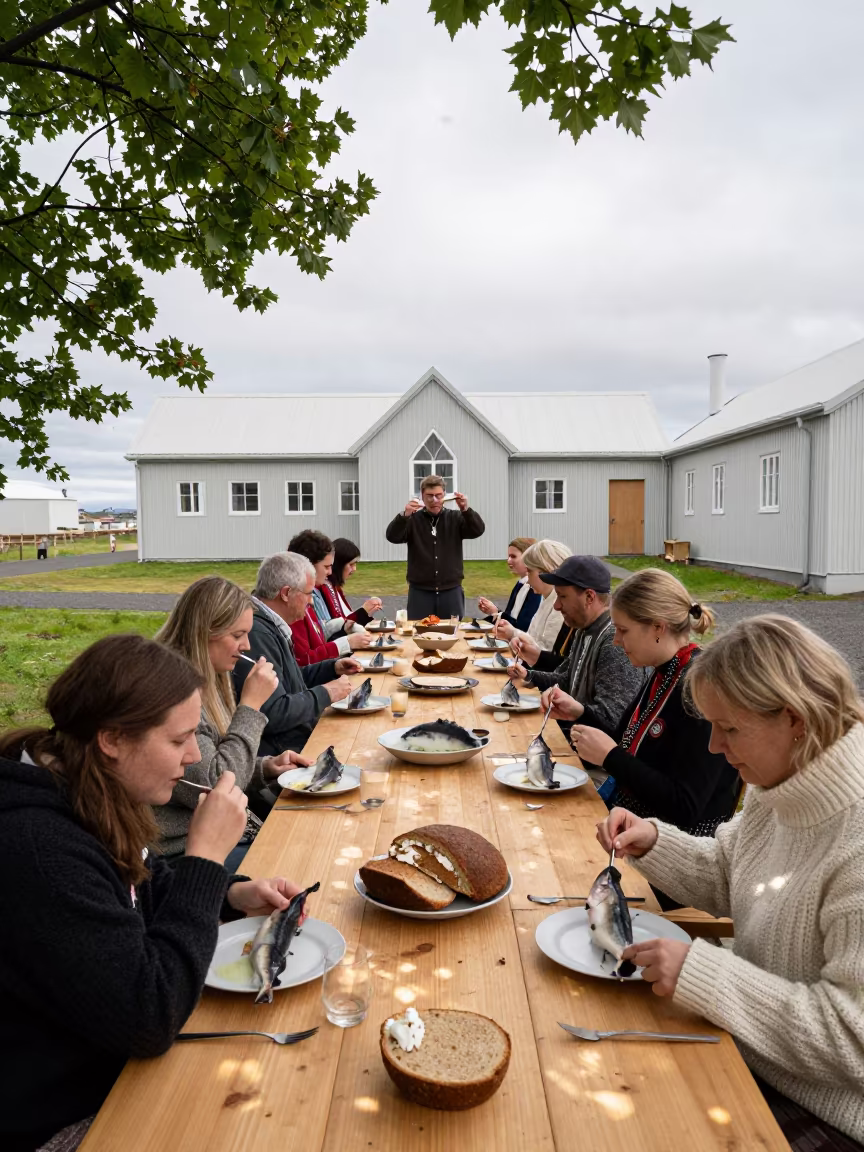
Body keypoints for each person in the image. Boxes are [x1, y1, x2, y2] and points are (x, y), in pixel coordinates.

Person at [0, 633, 310, 1152]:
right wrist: (206, 858)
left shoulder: (88, 787)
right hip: (65, 1115)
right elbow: (150, 1016)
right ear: (112, 739)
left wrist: (232, 894)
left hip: (113, 1060)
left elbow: (142, 881)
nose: (193, 758)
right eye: (178, 740)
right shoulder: (39, 848)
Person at [597, 615, 864, 1150]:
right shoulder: (784, 781)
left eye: (731, 728)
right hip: (746, 1045)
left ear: (796, 719)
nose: (716, 747)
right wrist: (656, 840)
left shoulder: (853, 838)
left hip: (820, 1113)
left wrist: (704, 974)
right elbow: (730, 870)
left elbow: (851, 1041)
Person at [562, 568, 740, 865]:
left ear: (658, 627)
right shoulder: (664, 671)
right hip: (634, 826)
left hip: (678, 855)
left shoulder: (699, 690)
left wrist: (610, 757)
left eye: (624, 630)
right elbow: (629, 741)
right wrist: (580, 712)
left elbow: (686, 805)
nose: (616, 640)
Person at [154, 576, 312, 863]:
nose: (247, 645)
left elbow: (212, 766)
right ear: (205, 631)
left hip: (217, 832)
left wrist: (263, 767)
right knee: (299, 857)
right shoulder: (174, 690)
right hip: (181, 852)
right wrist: (251, 705)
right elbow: (213, 786)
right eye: (238, 635)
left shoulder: (207, 677)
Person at [232, 552, 361, 757]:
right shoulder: (257, 633)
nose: (311, 603)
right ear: (285, 593)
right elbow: (272, 713)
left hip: (294, 742)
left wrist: (331, 668)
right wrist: (326, 693)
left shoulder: (270, 624)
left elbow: (289, 682)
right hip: (285, 754)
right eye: (308, 594)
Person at [509, 556, 646, 741]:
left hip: (596, 763)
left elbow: (613, 719)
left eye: (563, 596)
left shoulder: (614, 641)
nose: (557, 606)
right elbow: (567, 679)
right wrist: (529, 676)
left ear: (589, 596)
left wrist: (575, 712)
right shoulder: (584, 628)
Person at [385, 474, 485, 619]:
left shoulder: (456, 518)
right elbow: (392, 536)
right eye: (429, 496)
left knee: (452, 635)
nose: (434, 500)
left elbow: (478, 530)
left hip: (451, 591)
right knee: (419, 635)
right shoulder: (412, 520)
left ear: (444, 495)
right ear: (422, 496)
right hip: (420, 592)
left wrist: (466, 510)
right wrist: (404, 516)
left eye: (438, 495)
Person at [286, 530, 372, 665]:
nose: (330, 572)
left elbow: (317, 631)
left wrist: (342, 624)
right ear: (306, 566)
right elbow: (305, 660)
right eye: (326, 567)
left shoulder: (307, 595)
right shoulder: (293, 604)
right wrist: (346, 643)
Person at [495, 539, 571, 653]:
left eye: (530, 572)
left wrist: (513, 634)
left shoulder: (558, 607)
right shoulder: (546, 599)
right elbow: (534, 639)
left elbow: (547, 653)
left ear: (546, 571)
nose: (528, 581)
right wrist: (513, 634)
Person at [476, 537, 541, 632]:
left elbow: (522, 627)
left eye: (513, 556)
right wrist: (494, 612)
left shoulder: (534, 589)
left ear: (528, 558)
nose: (508, 561)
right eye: (509, 556)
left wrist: (495, 612)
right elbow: (510, 617)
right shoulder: (520, 584)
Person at [321, 537, 383, 628]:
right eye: (351, 564)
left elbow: (345, 622)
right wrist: (364, 612)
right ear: (339, 565)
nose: (354, 569)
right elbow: (341, 628)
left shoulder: (334, 586)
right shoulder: (326, 588)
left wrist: (366, 612)